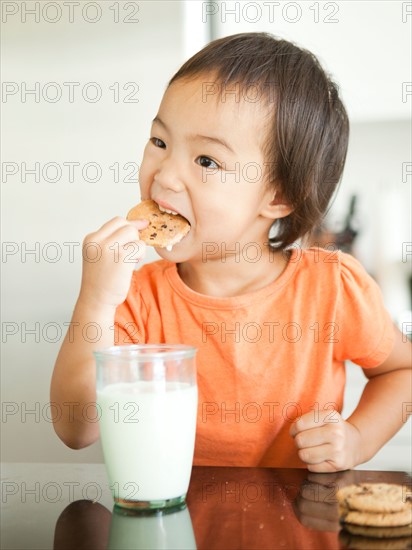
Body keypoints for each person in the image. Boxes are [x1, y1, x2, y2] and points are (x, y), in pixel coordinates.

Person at [51, 33, 411, 471]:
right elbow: (76, 428)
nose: (164, 177)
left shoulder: (332, 289)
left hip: (297, 529)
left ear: (278, 197)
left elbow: (403, 372)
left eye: (206, 161)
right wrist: (95, 301)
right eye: (160, 142)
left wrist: (358, 439)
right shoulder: (135, 299)